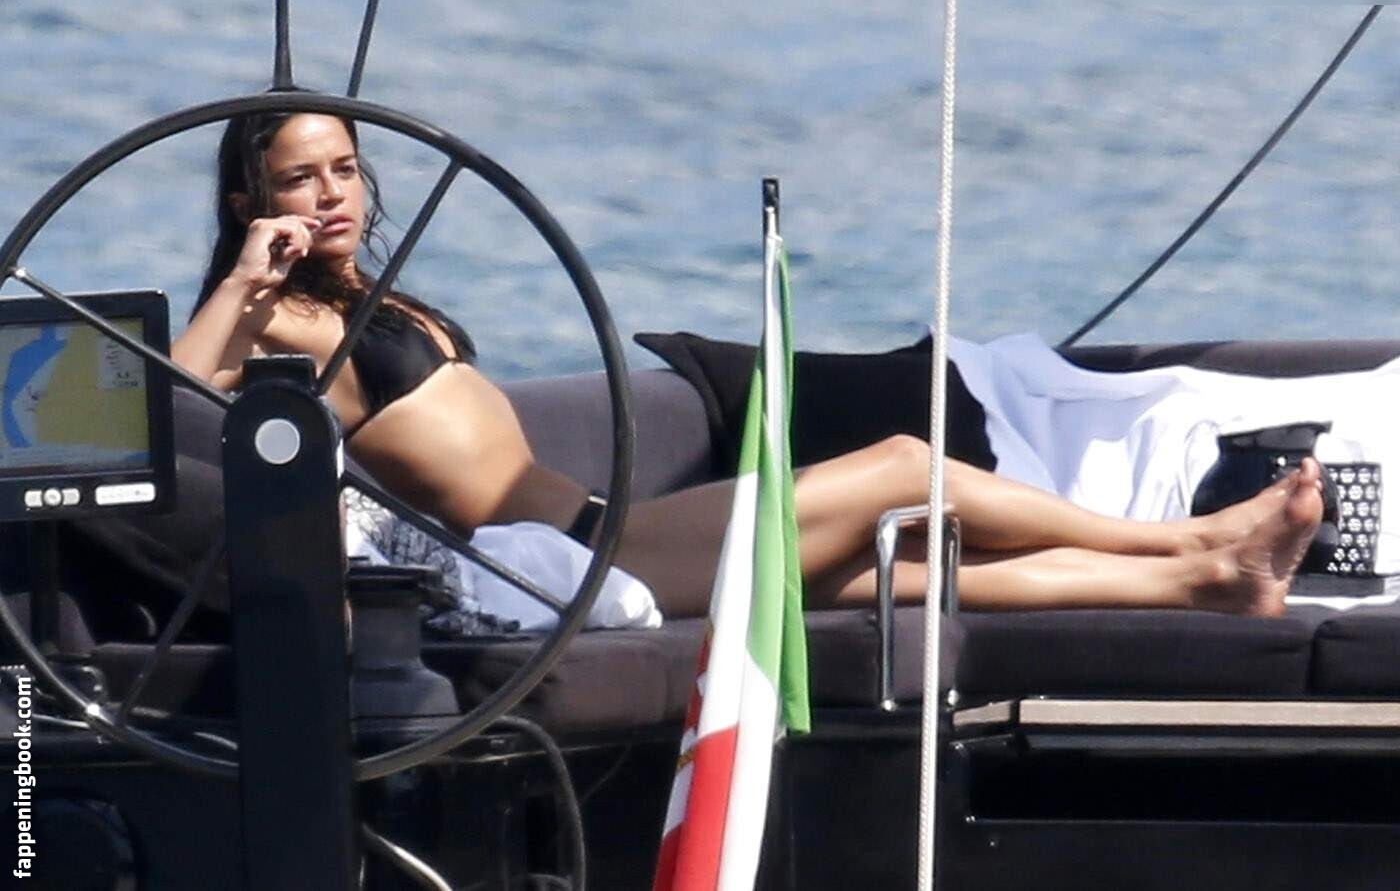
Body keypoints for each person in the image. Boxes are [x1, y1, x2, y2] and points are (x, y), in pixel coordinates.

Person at [171, 109, 1325, 623]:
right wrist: (243, 277)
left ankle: (1205, 581)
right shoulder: (280, 324)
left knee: (901, 571)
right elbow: (170, 396)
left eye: (344, 169)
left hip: (590, 528)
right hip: (569, 563)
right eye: (299, 179)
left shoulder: (369, 297)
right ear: (246, 199)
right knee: (899, 464)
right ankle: (1178, 538)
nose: (332, 194)